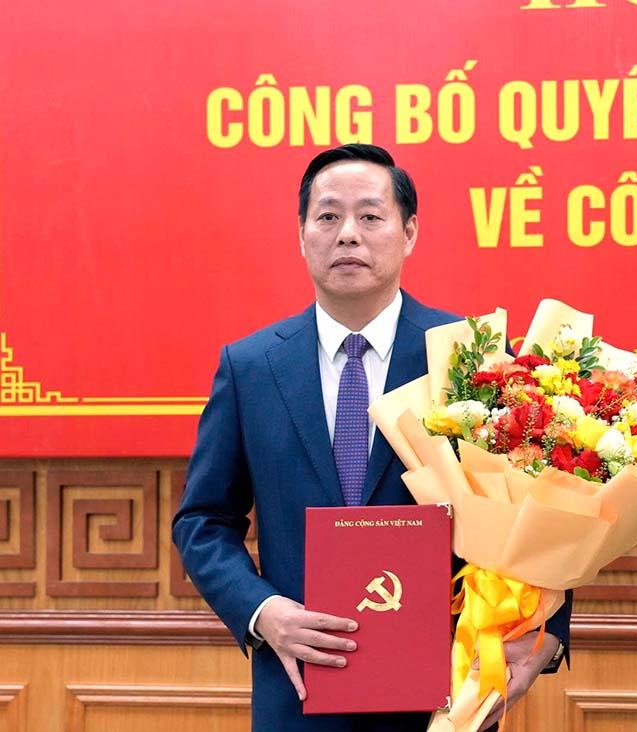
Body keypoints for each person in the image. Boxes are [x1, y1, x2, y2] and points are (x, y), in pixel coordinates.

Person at [173, 144, 569, 732]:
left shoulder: (473, 357)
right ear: (302, 234)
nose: (348, 235)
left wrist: (542, 640)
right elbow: (202, 520)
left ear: (408, 232)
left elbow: (542, 510)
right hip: (301, 687)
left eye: (371, 216)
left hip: (446, 689)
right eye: (328, 216)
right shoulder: (251, 367)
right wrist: (262, 611)